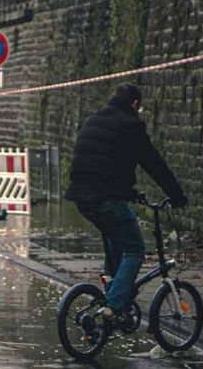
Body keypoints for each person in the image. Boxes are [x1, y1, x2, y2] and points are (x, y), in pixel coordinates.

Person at [65, 84, 187, 327]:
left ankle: (111, 289)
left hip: (82, 197)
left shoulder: (94, 120)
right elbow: (153, 163)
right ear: (135, 104)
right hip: (106, 198)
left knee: (115, 238)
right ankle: (113, 305)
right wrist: (177, 196)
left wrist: (130, 193)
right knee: (135, 250)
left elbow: (102, 162)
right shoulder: (131, 125)